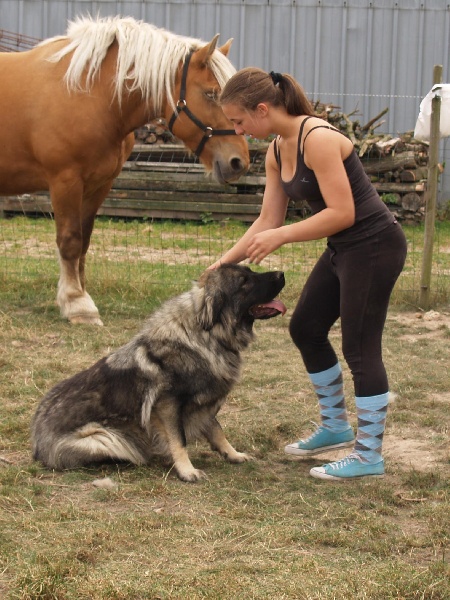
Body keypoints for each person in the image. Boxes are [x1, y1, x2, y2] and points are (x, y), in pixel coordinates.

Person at [209, 67, 407, 481]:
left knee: (360, 347)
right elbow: (268, 219)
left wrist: (282, 236)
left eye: (239, 121)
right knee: (306, 328)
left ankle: (368, 455)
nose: (238, 131)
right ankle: (335, 427)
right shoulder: (277, 149)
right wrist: (224, 263)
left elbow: (343, 213)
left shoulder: (317, 138)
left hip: (375, 245)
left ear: (262, 109)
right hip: (344, 248)